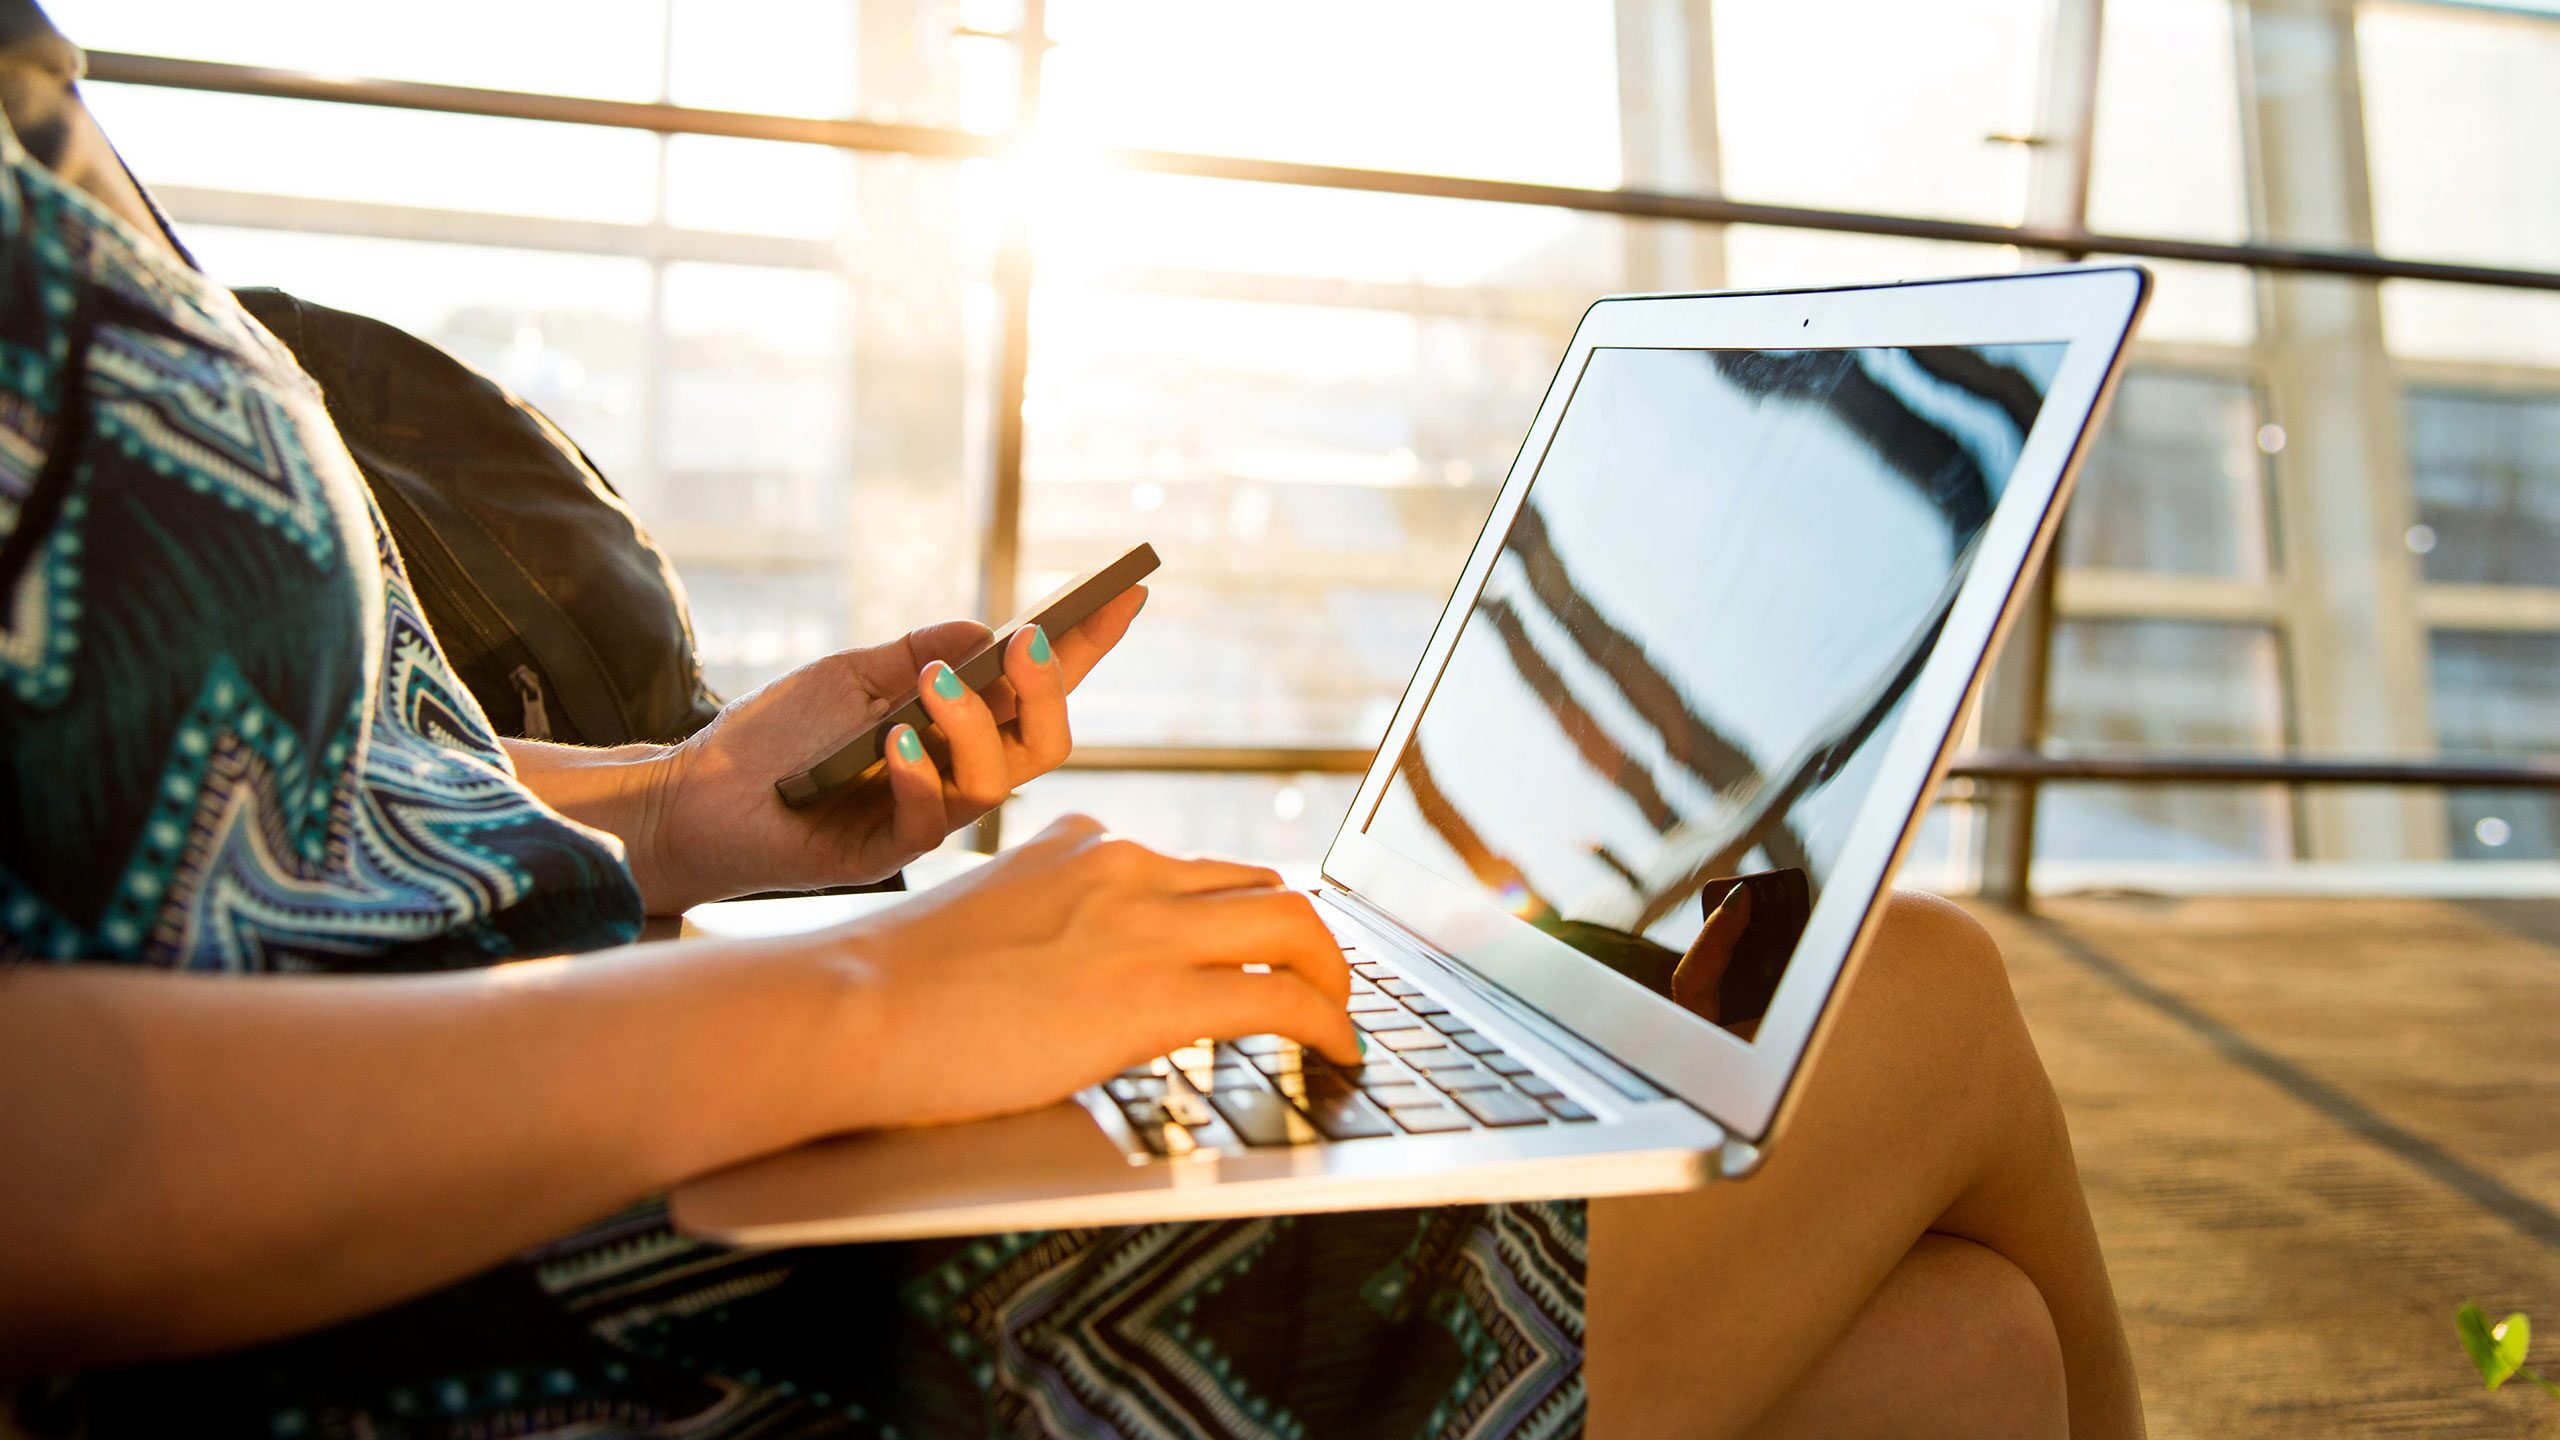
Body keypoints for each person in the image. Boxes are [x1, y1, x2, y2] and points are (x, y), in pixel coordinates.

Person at [0, 11, 2145, 1437]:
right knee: (1914, 1011)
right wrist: (868, 1006)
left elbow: (267, 800)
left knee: (1958, 1363)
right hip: (439, 1305)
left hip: (547, 1098)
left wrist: (673, 809)